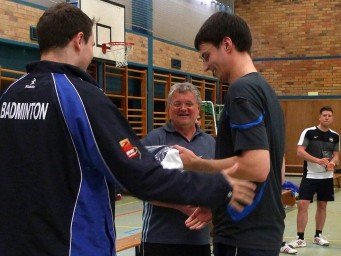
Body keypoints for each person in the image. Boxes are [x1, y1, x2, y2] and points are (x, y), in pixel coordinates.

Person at [0, 4, 258, 256]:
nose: (92, 52)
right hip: (72, 243)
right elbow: (139, 173)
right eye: (92, 45)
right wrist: (219, 187)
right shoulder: (81, 97)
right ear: (79, 40)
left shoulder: (10, 95)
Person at [174, 12, 286, 256]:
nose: (205, 65)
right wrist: (218, 204)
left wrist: (197, 164)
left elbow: (258, 167)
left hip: (242, 235)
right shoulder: (267, 93)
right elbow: (280, 167)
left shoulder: (241, 91)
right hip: (261, 232)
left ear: (226, 44)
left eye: (206, 56)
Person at [141, 82, 215, 256]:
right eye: (177, 104)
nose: (183, 109)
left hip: (200, 240)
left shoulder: (210, 143)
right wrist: (181, 206)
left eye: (189, 104)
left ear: (198, 110)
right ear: (169, 109)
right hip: (160, 239)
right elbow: (139, 186)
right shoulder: (153, 140)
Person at [289, 106, 339, 248]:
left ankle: (318, 235)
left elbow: (336, 155)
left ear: (332, 118)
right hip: (310, 176)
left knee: (322, 205)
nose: (327, 117)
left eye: (329, 115)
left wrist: (332, 163)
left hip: (327, 177)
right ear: (319, 117)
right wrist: (318, 160)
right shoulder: (309, 132)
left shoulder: (335, 136)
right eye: (324, 115)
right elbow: (300, 151)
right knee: (303, 204)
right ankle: (300, 238)